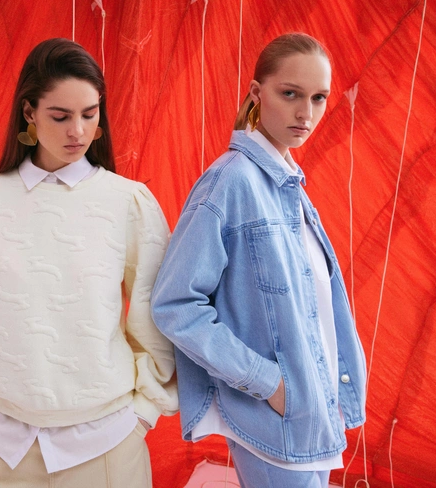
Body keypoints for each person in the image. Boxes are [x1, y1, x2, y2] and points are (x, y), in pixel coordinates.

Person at [0, 38, 177, 488]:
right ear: (29, 112)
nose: (78, 132)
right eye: (61, 116)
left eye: (90, 114)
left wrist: (144, 413)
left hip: (108, 444)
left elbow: (155, 318)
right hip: (4, 445)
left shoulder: (129, 202)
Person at [150, 33, 367, 488]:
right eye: (290, 94)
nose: (306, 113)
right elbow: (175, 304)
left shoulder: (291, 187)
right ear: (256, 93)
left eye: (318, 98)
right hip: (275, 425)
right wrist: (269, 383)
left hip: (314, 417)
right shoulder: (229, 183)